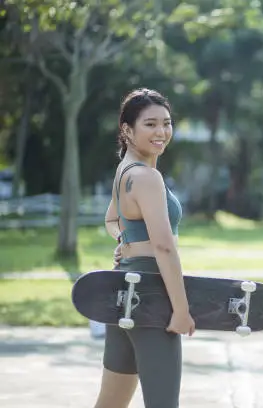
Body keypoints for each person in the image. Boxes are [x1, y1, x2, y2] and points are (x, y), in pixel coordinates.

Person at [94, 88, 195, 408]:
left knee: (111, 403)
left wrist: (126, 242)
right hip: (151, 290)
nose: (162, 132)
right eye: (150, 124)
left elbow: (112, 220)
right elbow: (164, 247)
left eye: (166, 123)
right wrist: (180, 309)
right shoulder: (146, 177)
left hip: (122, 286)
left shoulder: (125, 171)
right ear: (127, 129)